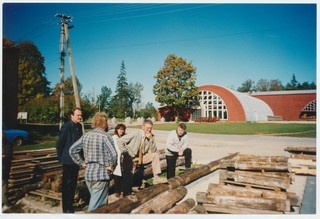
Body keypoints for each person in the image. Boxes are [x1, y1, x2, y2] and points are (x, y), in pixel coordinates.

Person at [69, 112, 117, 212]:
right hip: (101, 175)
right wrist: (112, 167)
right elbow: (114, 155)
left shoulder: (86, 136)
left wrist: (81, 163)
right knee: (95, 208)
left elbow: (72, 150)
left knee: (100, 205)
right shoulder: (106, 136)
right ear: (105, 123)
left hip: (89, 175)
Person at [117, 119, 167, 196]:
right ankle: (126, 195)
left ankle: (156, 178)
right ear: (142, 127)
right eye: (147, 128)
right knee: (129, 178)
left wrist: (151, 140)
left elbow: (154, 151)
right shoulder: (136, 133)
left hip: (141, 157)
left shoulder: (151, 136)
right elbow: (120, 141)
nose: (149, 130)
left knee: (155, 155)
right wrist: (126, 153)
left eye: (151, 128)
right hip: (129, 157)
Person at [56, 107, 83, 213]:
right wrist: (61, 157)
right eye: (78, 115)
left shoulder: (79, 126)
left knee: (73, 184)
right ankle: (66, 208)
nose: (80, 117)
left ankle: (70, 205)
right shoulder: (66, 127)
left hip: (76, 160)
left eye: (81, 115)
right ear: (72, 116)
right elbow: (60, 144)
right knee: (67, 184)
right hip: (67, 160)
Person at [112, 123, 126, 198]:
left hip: (123, 158)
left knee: (123, 175)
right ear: (117, 130)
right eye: (120, 129)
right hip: (116, 158)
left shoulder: (125, 137)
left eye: (123, 129)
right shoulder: (114, 138)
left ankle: (123, 190)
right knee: (117, 176)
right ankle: (117, 191)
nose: (122, 131)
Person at [2, 132, 13, 212]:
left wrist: (3, 156)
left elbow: (8, 156)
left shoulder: (7, 145)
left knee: (3, 185)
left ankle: (5, 203)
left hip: (4, 168)